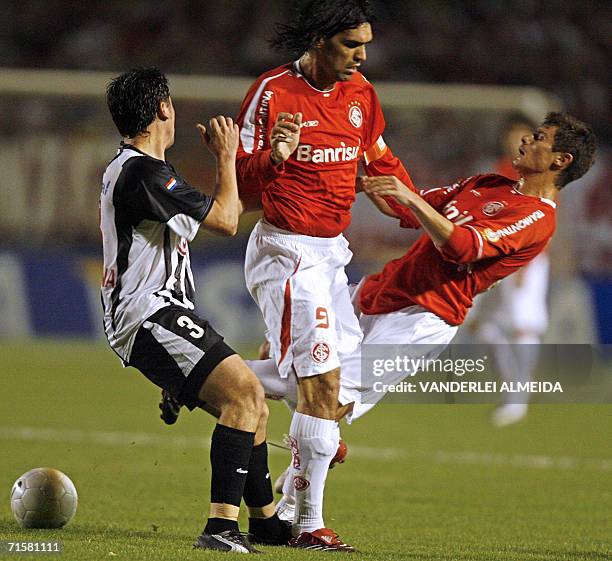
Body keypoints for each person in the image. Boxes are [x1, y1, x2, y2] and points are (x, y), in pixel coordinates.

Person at [246, 111, 597, 521]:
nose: (524, 141)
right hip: (376, 292)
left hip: (422, 319)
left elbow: (463, 247)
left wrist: (407, 196)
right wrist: (364, 149)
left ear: (560, 161)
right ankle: (301, 475)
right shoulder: (488, 184)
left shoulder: (538, 218)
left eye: (538, 137)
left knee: (324, 393)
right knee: (322, 398)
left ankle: (223, 380)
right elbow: (404, 207)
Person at [234, 0, 413, 551]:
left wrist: (426, 214)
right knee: (321, 386)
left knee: (335, 387)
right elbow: (239, 184)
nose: (362, 56)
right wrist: (277, 159)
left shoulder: (362, 97)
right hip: (286, 253)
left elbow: (382, 166)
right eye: (351, 44)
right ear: (318, 39)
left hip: (333, 255)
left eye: (366, 45)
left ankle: (206, 375)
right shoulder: (272, 93)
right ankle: (307, 525)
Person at [100, 67, 287, 553]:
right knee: (244, 392)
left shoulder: (141, 173)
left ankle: (265, 521)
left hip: (154, 315)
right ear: (163, 109)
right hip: (147, 314)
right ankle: (220, 527)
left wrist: (273, 163)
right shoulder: (144, 172)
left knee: (252, 408)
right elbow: (226, 220)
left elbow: (221, 206)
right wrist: (227, 155)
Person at [464, 114, 551, 427]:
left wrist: (528, 261)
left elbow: (545, 219)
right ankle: (511, 386)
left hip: (528, 258)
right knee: (477, 323)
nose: (518, 142)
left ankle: (519, 397)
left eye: (524, 136)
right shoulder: (499, 169)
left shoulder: (542, 173)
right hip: (494, 259)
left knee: (521, 324)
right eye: (512, 136)